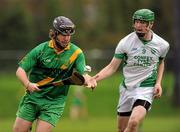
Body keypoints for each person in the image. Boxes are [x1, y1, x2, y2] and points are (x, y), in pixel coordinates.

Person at [13, 16, 95, 132]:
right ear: (55, 33)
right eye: (63, 34)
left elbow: (84, 73)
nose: (66, 38)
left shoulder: (76, 53)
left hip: (54, 102)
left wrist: (89, 80)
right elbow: (20, 70)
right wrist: (27, 84)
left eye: (69, 35)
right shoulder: (41, 50)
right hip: (33, 98)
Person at [92, 9, 169, 132]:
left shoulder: (162, 45)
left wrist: (158, 82)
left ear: (151, 24)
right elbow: (112, 67)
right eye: (137, 22)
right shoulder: (125, 43)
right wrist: (93, 79)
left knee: (133, 122)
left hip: (146, 89)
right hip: (127, 89)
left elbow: (160, 62)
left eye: (143, 22)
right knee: (121, 129)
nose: (138, 25)